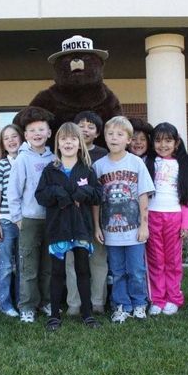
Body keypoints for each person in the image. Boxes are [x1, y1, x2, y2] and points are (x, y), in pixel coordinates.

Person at [36, 122, 102, 331]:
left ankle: (87, 314)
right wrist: (57, 193)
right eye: (64, 138)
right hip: (58, 229)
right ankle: (55, 315)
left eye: (73, 138)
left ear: (80, 143)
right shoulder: (50, 170)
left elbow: (99, 195)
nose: (68, 142)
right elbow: (40, 196)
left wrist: (85, 192)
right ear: (57, 143)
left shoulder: (87, 169)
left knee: (83, 270)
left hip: (81, 228)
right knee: (57, 272)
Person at [93, 116, 155, 323]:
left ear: (128, 139)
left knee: (136, 270)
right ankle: (121, 305)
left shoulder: (136, 162)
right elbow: (96, 201)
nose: (114, 138)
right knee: (117, 271)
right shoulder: (99, 166)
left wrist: (144, 225)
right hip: (110, 230)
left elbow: (143, 195)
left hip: (134, 229)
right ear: (104, 137)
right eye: (110, 134)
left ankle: (139, 303)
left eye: (120, 134)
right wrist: (97, 227)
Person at [8, 107, 55, 323]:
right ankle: (27, 306)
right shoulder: (22, 159)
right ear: (25, 135)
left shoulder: (54, 158)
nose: (37, 133)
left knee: (47, 265)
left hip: (52, 220)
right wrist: (17, 218)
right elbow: (14, 191)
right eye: (32, 130)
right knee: (28, 266)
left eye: (41, 129)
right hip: (29, 219)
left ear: (49, 133)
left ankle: (45, 301)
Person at [145, 123, 188, 316]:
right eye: (158, 140)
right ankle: (157, 299)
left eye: (168, 140)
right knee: (156, 260)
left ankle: (174, 298)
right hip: (152, 216)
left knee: (173, 261)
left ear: (176, 143)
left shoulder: (182, 165)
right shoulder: (148, 163)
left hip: (174, 217)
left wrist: (185, 224)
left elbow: (186, 196)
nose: (163, 145)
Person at [65, 111, 109, 316]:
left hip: (98, 216)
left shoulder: (103, 154)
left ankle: (97, 302)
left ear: (98, 132)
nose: (85, 129)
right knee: (72, 260)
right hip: (72, 218)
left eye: (91, 126)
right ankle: (74, 303)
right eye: (81, 125)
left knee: (97, 259)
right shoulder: (66, 152)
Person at [0, 124, 23, 317]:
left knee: (23, 264)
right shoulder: (1, 165)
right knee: (4, 264)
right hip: (5, 220)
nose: (11, 141)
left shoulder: (27, 161)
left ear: (21, 138)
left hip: (24, 221)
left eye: (14, 136)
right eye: (6, 138)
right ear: (3, 144)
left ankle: (22, 301)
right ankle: (4, 304)